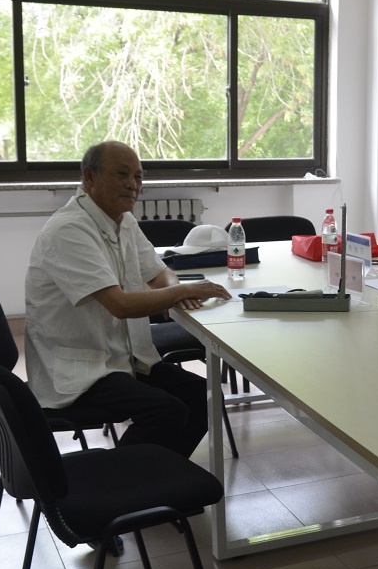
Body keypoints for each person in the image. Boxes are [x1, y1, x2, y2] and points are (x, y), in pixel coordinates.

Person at [24, 140, 231, 459]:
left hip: (121, 356)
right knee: (167, 411)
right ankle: (114, 481)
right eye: (122, 174)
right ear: (89, 177)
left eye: (138, 176)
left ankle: (159, 477)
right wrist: (182, 292)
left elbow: (159, 272)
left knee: (202, 396)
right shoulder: (69, 229)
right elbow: (119, 305)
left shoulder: (123, 220)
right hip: (80, 370)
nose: (133, 185)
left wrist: (173, 291)